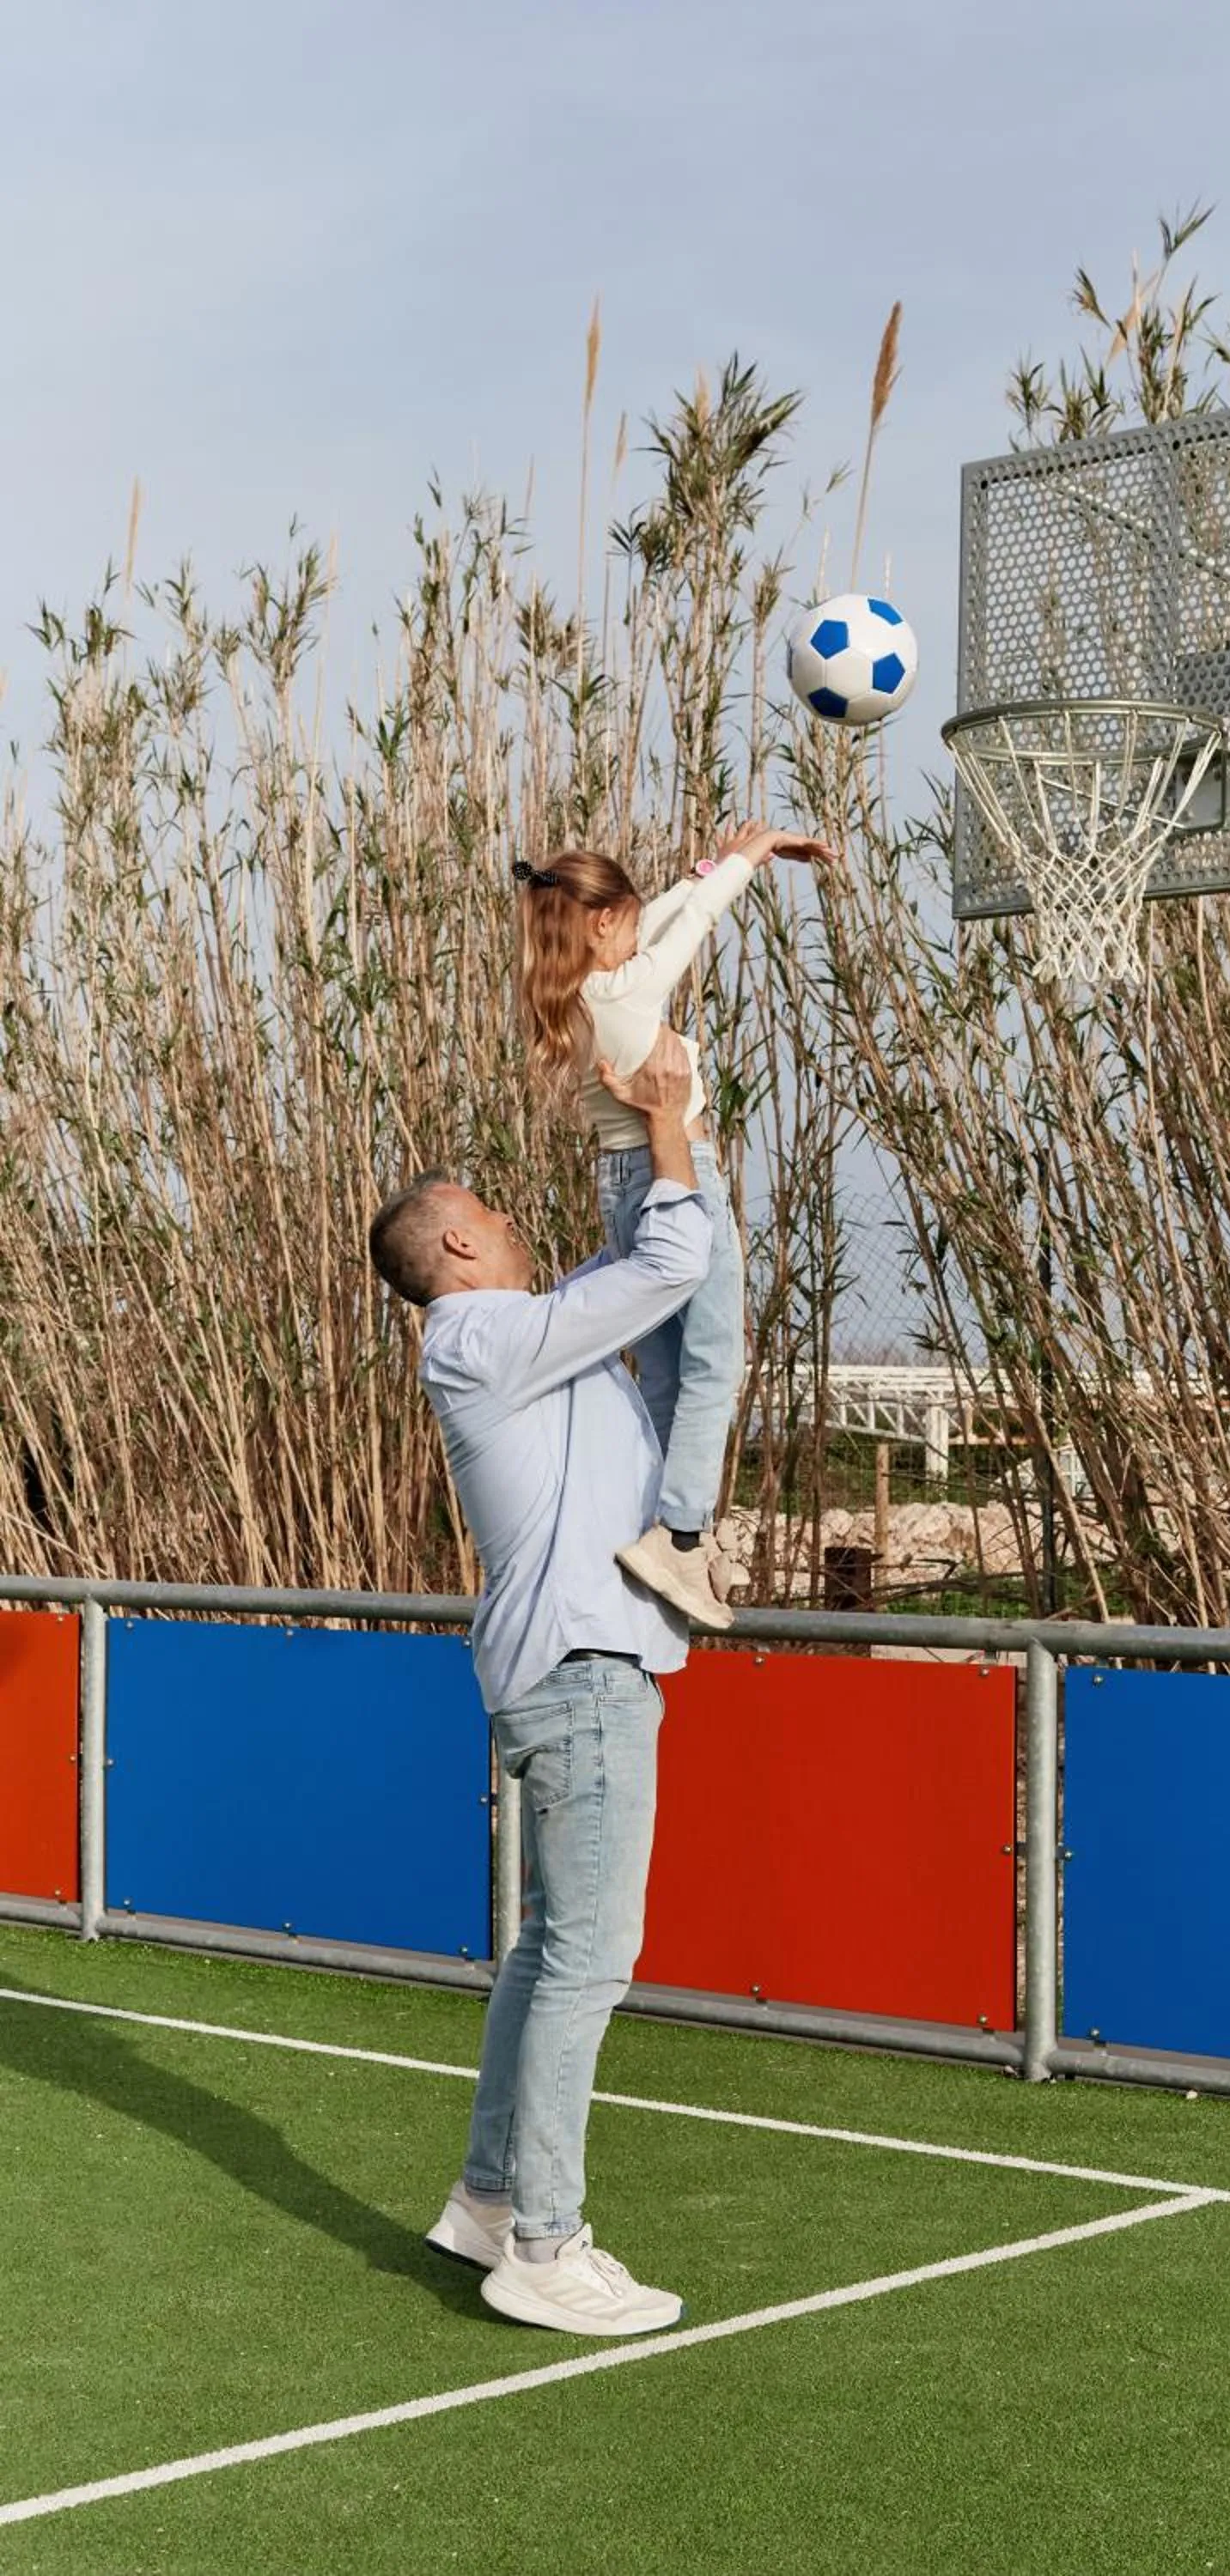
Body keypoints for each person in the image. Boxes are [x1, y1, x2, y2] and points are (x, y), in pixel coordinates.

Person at [367, 1029, 710, 2336]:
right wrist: (668, 1115)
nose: (512, 1225)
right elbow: (670, 1264)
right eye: (494, 1216)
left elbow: (626, 1273)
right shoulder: (479, 1338)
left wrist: (646, 1128)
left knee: (548, 1953)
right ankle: (547, 2247)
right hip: (581, 1679)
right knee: (590, 1958)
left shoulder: (515, 1337)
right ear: (456, 1251)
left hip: (571, 1676)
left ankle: (489, 2201)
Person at [513, 819, 834, 1630]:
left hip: (620, 1186)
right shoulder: (621, 990)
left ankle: (646, 1524)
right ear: (599, 925)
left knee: (662, 1373)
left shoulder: (574, 993)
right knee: (716, 1360)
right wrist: (749, 861)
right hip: (677, 1177)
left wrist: (713, 866)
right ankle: (683, 1535)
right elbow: (684, 927)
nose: (636, 929)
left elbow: (656, 919)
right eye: (624, 921)